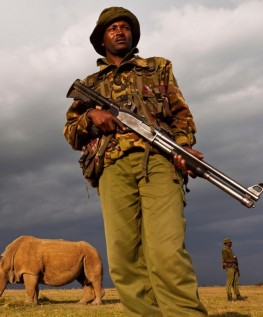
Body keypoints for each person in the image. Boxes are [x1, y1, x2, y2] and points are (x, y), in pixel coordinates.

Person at [63, 7, 207, 316]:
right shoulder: (90, 84)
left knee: (167, 252)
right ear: (102, 39)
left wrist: (182, 149)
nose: (119, 31)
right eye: (112, 28)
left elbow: (182, 117)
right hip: (111, 167)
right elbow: (71, 133)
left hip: (158, 161)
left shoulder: (158, 68)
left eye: (124, 27)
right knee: (123, 258)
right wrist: (91, 116)